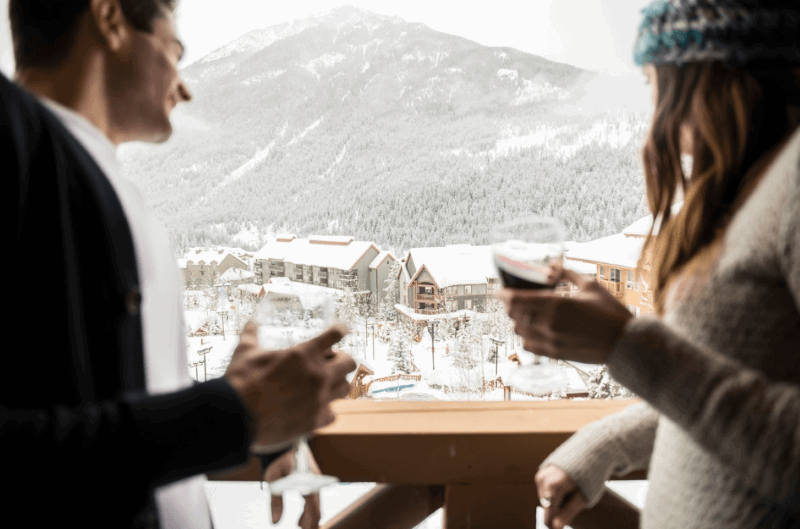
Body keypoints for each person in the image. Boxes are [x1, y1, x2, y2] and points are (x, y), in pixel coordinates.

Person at [1, 1, 356, 528]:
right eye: (175, 51)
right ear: (111, 20)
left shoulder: (92, 174)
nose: (184, 87)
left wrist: (257, 423)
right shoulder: (16, 139)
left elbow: (109, 395)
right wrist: (233, 417)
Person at [498, 1, 800, 528]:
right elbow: (738, 391)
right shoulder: (760, 185)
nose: (656, 103)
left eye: (654, 80)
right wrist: (607, 445)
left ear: (705, 74)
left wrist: (625, 344)